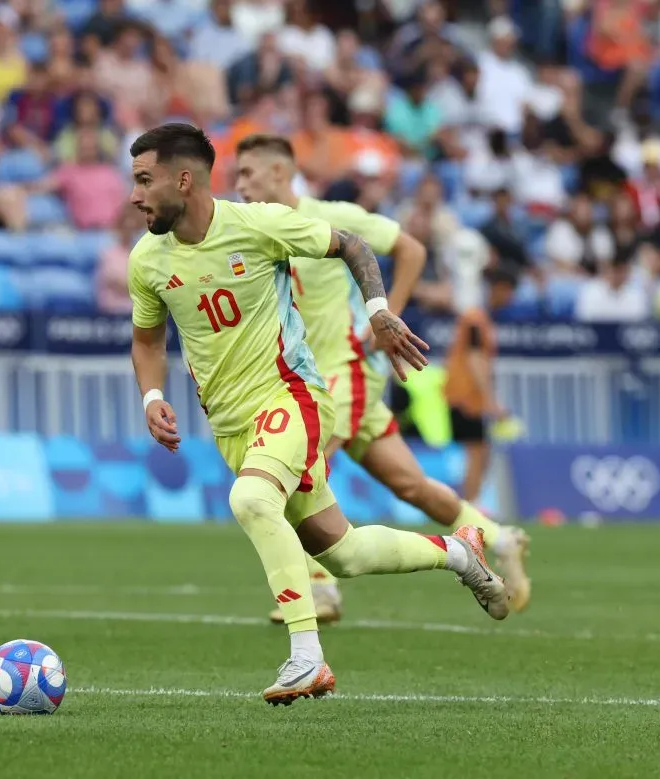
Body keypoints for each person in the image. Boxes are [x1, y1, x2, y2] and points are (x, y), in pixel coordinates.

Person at [128, 123, 509, 705]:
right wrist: (153, 399)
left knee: (252, 501)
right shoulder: (147, 261)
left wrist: (380, 310)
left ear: (184, 179)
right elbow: (148, 341)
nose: (135, 195)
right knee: (343, 552)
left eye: (144, 180)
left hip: (292, 397)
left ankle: (307, 660)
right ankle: (459, 552)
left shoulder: (257, 224)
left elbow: (352, 244)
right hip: (231, 426)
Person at [234, 134, 532, 622]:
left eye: (248, 173)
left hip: (344, 374)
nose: (239, 184)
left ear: (279, 173)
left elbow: (410, 248)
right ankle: (501, 538)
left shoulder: (334, 215)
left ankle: (322, 589)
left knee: (301, 473)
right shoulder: (255, 230)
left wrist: (386, 313)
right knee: (410, 485)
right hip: (317, 382)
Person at [445, 262, 516, 508]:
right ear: (499, 288)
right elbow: (475, 359)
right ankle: (469, 507)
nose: (511, 297)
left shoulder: (480, 318)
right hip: (466, 396)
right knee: (476, 452)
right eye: (509, 290)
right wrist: (491, 401)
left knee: (480, 451)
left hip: (469, 396)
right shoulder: (475, 318)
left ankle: (471, 503)